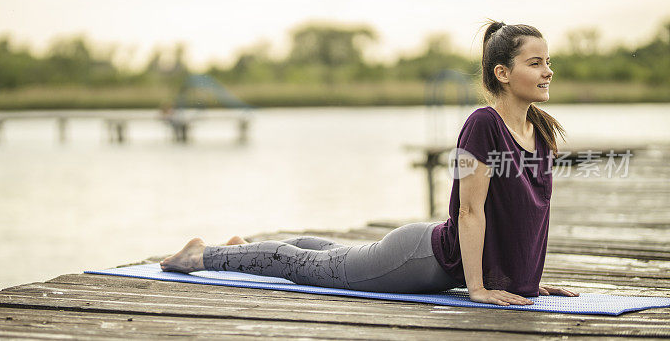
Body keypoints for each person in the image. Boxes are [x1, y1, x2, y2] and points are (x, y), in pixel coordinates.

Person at [160, 20, 580, 306]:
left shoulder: (540, 130)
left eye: (548, 62)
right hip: (419, 259)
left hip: (428, 254)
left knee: (332, 254)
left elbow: (530, 217)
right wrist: (477, 288)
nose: (548, 72)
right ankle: (202, 256)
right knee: (307, 267)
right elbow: (469, 211)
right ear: (503, 73)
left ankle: (244, 249)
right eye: (536, 63)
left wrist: (524, 282)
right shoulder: (482, 125)